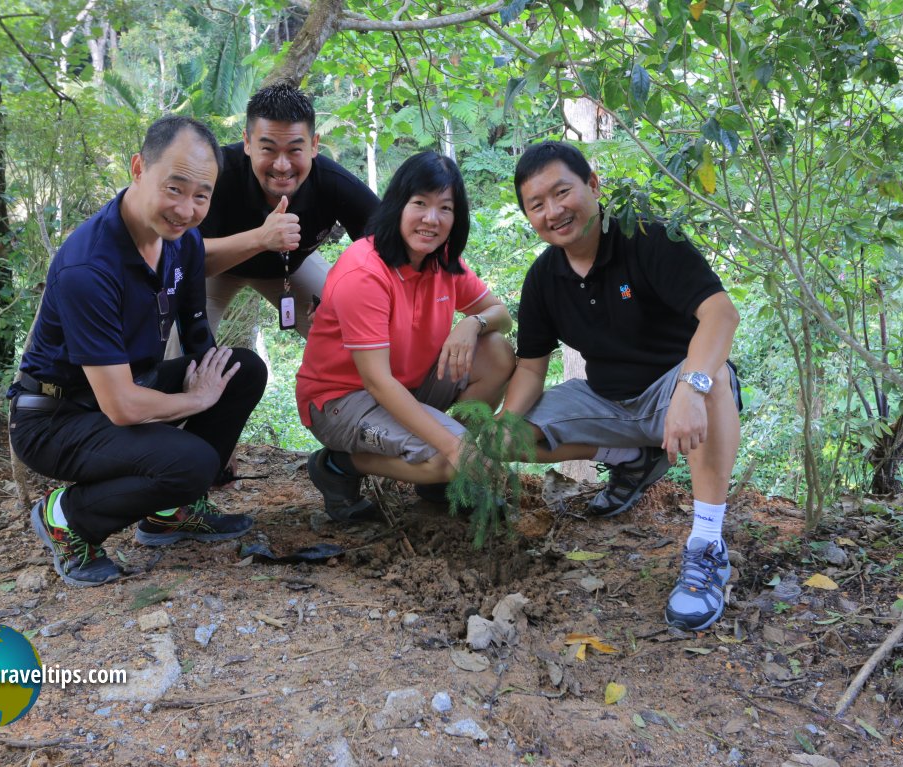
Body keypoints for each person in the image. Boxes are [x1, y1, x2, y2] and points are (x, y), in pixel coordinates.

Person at [8, 115, 268, 588]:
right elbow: (122, 405)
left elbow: (195, 332)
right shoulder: (90, 266)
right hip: (56, 418)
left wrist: (219, 425)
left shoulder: (181, 242)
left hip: (124, 391)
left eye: (201, 195)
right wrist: (197, 402)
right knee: (190, 462)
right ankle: (67, 517)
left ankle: (170, 511)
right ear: (137, 169)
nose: (186, 209)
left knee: (240, 369)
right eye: (175, 188)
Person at [502, 141, 742, 631]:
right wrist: (499, 425)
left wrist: (690, 390)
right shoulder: (544, 277)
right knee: (510, 435)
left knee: (713, 378)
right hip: (606, 399)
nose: (554, 211)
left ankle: (707, 546)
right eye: (537, 205)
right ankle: (632, 460)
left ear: (592, 185)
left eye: (562, 192)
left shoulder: (647, 237)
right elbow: (531, 367)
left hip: (676, 391)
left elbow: (721, 312)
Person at [296, 151, 516, 521]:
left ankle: (436, 478)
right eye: (420, 204)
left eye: (445, 208)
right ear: (398, 204)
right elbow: (378, 383)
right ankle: (338, 465)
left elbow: (502, 316)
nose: (431, 219)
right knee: (448, 458)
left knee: (496, 352)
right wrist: (453, 446)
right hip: (341, 400)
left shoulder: (443, 260)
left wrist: (471, 323)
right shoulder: (365, 272)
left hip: (408, 385)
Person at [199, 82, 380, 338]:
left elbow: (388, 244)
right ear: (247, 143)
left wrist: (347, 291)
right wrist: (261, 238)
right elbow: (183, 255)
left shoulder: (333, 182)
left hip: (290, 269)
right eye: (268, 149)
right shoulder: (216, 172)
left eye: (295, 149)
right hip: (217, 268)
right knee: (181, 353)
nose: (282, 166)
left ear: (314, 145)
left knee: (346, 326)